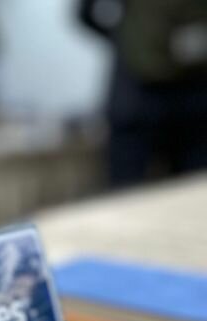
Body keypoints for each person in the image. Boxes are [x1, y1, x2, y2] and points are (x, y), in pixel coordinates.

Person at [80, 0, 207, 188]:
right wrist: (128, 41)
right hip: (137, 96)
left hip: (193, 96)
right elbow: (86, 13)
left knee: (194, 189)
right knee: (127, 189)